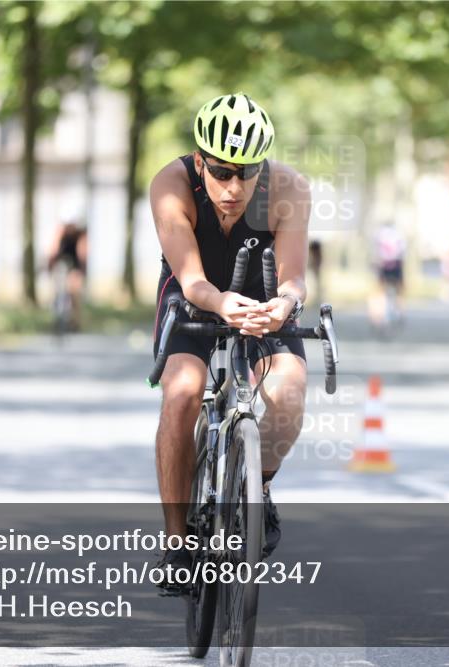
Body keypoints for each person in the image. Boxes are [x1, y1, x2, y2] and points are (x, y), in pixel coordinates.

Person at [149, 92, 310, 590]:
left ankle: (254, 488)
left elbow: (293, 280)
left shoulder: (288, 189)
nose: (234, 187)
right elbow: (193, 280)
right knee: (181, 392)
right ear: (199, 162)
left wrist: (282, 306)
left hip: (261, 297)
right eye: (220, 172)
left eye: (247, 171)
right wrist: (219, 303)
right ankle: (178, 545)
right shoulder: (170, 185)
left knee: (286, 393)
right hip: (195, 291)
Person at [45, 205, 88, 330]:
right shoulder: (60, 230)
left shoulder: (81, 233)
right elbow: (53, 249)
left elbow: (83, 252)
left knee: (75, 290)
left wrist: (81, 270)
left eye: (72, 226)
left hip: (75, 259)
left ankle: (76, 321)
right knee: (57, 287)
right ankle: (55, 316)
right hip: (61, 257)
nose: (70, 228)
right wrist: (50, 266)